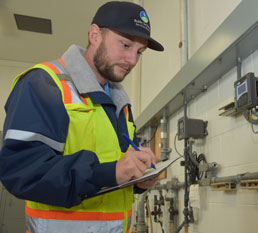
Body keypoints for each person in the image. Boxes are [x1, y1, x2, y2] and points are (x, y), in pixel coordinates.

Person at [0, 1, 164, 233]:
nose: (133, 60)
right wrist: (110, 172)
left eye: (139, 51)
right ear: (95, 34)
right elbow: (21, 171)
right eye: (125, 45)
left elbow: (117, 174)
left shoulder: (120, 103)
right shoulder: (44, 83)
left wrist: (137, 180)